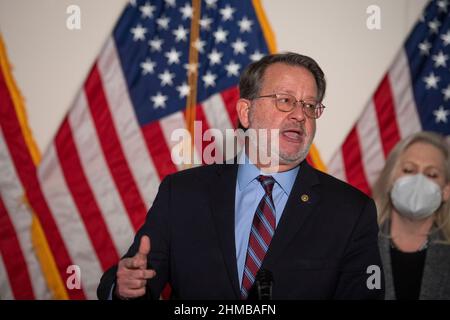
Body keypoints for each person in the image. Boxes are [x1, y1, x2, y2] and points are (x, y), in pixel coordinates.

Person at [97, 52, 384, 300]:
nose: (300, 115)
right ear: (246, 112)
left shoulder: (350, 211)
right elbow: (135, 277)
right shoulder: (182, 194)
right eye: (285, 100)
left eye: (310, 105)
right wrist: (124, 289)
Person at [372, 131, 450, 300]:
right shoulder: (358, 244)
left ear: (446, 190)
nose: (418, 181)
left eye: (431, 174)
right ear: (391, 178)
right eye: (409, 170)